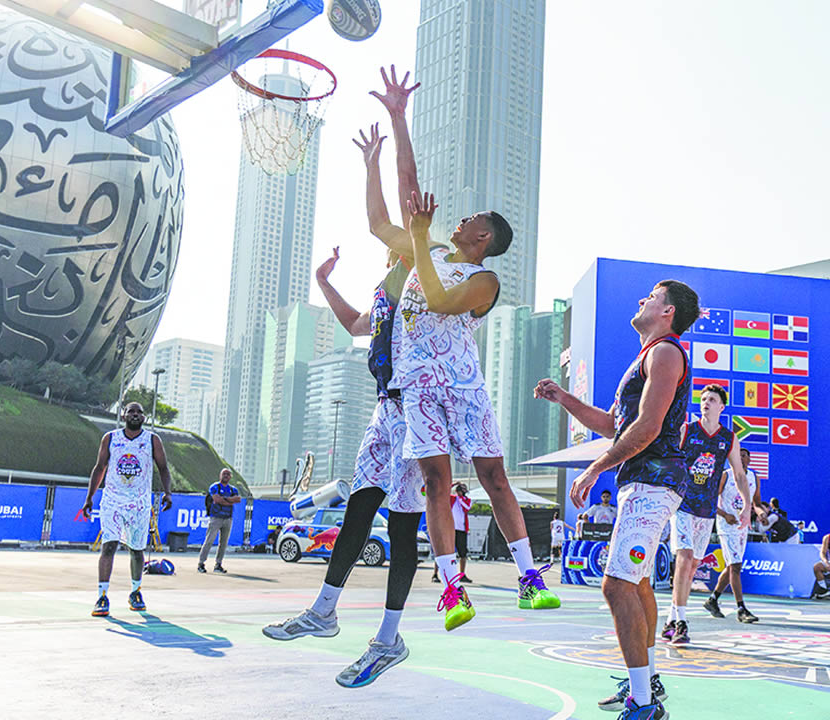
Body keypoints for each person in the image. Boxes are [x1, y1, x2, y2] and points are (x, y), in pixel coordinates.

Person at [262, 67, 426, 688]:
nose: (389, 234)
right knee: (361, 503)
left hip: (421, 409)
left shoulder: (424, 262)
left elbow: (399, 200)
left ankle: (388, 637)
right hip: (387, 408)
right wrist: (323, 283)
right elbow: (359, 324)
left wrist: (393, 132)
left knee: (403, 525)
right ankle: (325, 610)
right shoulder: (390, 281)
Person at [535, 279, 700, 719]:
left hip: (653, 483)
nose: (642, 299)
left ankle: (643, 704)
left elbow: (647, 427)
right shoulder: (648, 356)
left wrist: (595, 468)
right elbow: (614, 424)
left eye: (652, 296)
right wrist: (564, 397)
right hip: (643, 483)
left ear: (667, 311)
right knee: (637, 583)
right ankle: (646, 682)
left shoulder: (666, 353)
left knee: (616, 585)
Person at [397, 190, 559, 630]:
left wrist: (419, 238)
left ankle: (529, 580)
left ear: (482, 236)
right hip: (418, 387)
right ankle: (453, 589)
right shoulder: (429, 250)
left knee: (495, 478)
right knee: (436, 483)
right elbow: (381, 222)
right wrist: (379, 156)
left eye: (471, 218)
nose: (461, 219)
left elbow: (438, 301)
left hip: (463, 386)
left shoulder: (484, 280)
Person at [663, 384, 749, 644]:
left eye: (711, 399)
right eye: (703, 399)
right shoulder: (687, 430)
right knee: (684, 558)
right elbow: (668, 459)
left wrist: (747, 505)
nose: (706, 402)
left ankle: (670, 620)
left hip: (707, 510)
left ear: (721, 406)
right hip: (682, 504)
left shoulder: (728, 438)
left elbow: (739, 474)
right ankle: (681, 622)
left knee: (692, 568)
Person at [81, 401, 172, 616]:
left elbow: (163, 468)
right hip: (113, 501)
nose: (135, 414)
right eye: (131, 411)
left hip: (139, 503)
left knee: (137, 550)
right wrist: (89, 497)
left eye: (139, 412)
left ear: (144, 418)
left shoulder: (152, 440)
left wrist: (168, 492)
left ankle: (135, 592)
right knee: (109, 546)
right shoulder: (111, 438)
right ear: (123, 416)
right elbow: (100, 467)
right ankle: (102, 596)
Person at [704, 447, 761, 623]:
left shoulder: (753, 477)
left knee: (731, 567)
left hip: (742, 526)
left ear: (749, 459)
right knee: (736, 566)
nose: (741, 458)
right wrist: (724, 515)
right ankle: (741, 609)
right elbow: (710, 499)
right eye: (738, 455)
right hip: (726, 525)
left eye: (744, 456)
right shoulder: (726, 475)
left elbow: (756, 502)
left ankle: (712, 600)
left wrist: (761, 514)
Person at [197, 468, 240, 573]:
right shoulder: (215, 487)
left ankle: (218, 564)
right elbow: (216, 499)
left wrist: (224, 500)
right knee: (209, 541)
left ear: (230, 477)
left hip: (228, 518)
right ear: (220, 475)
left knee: (223, 543)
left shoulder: (233, 489)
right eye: (224, 473)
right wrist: (229, 501)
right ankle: (201, 563)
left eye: (228, 474)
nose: (226, 476)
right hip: (216, 518)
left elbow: (237, 499)